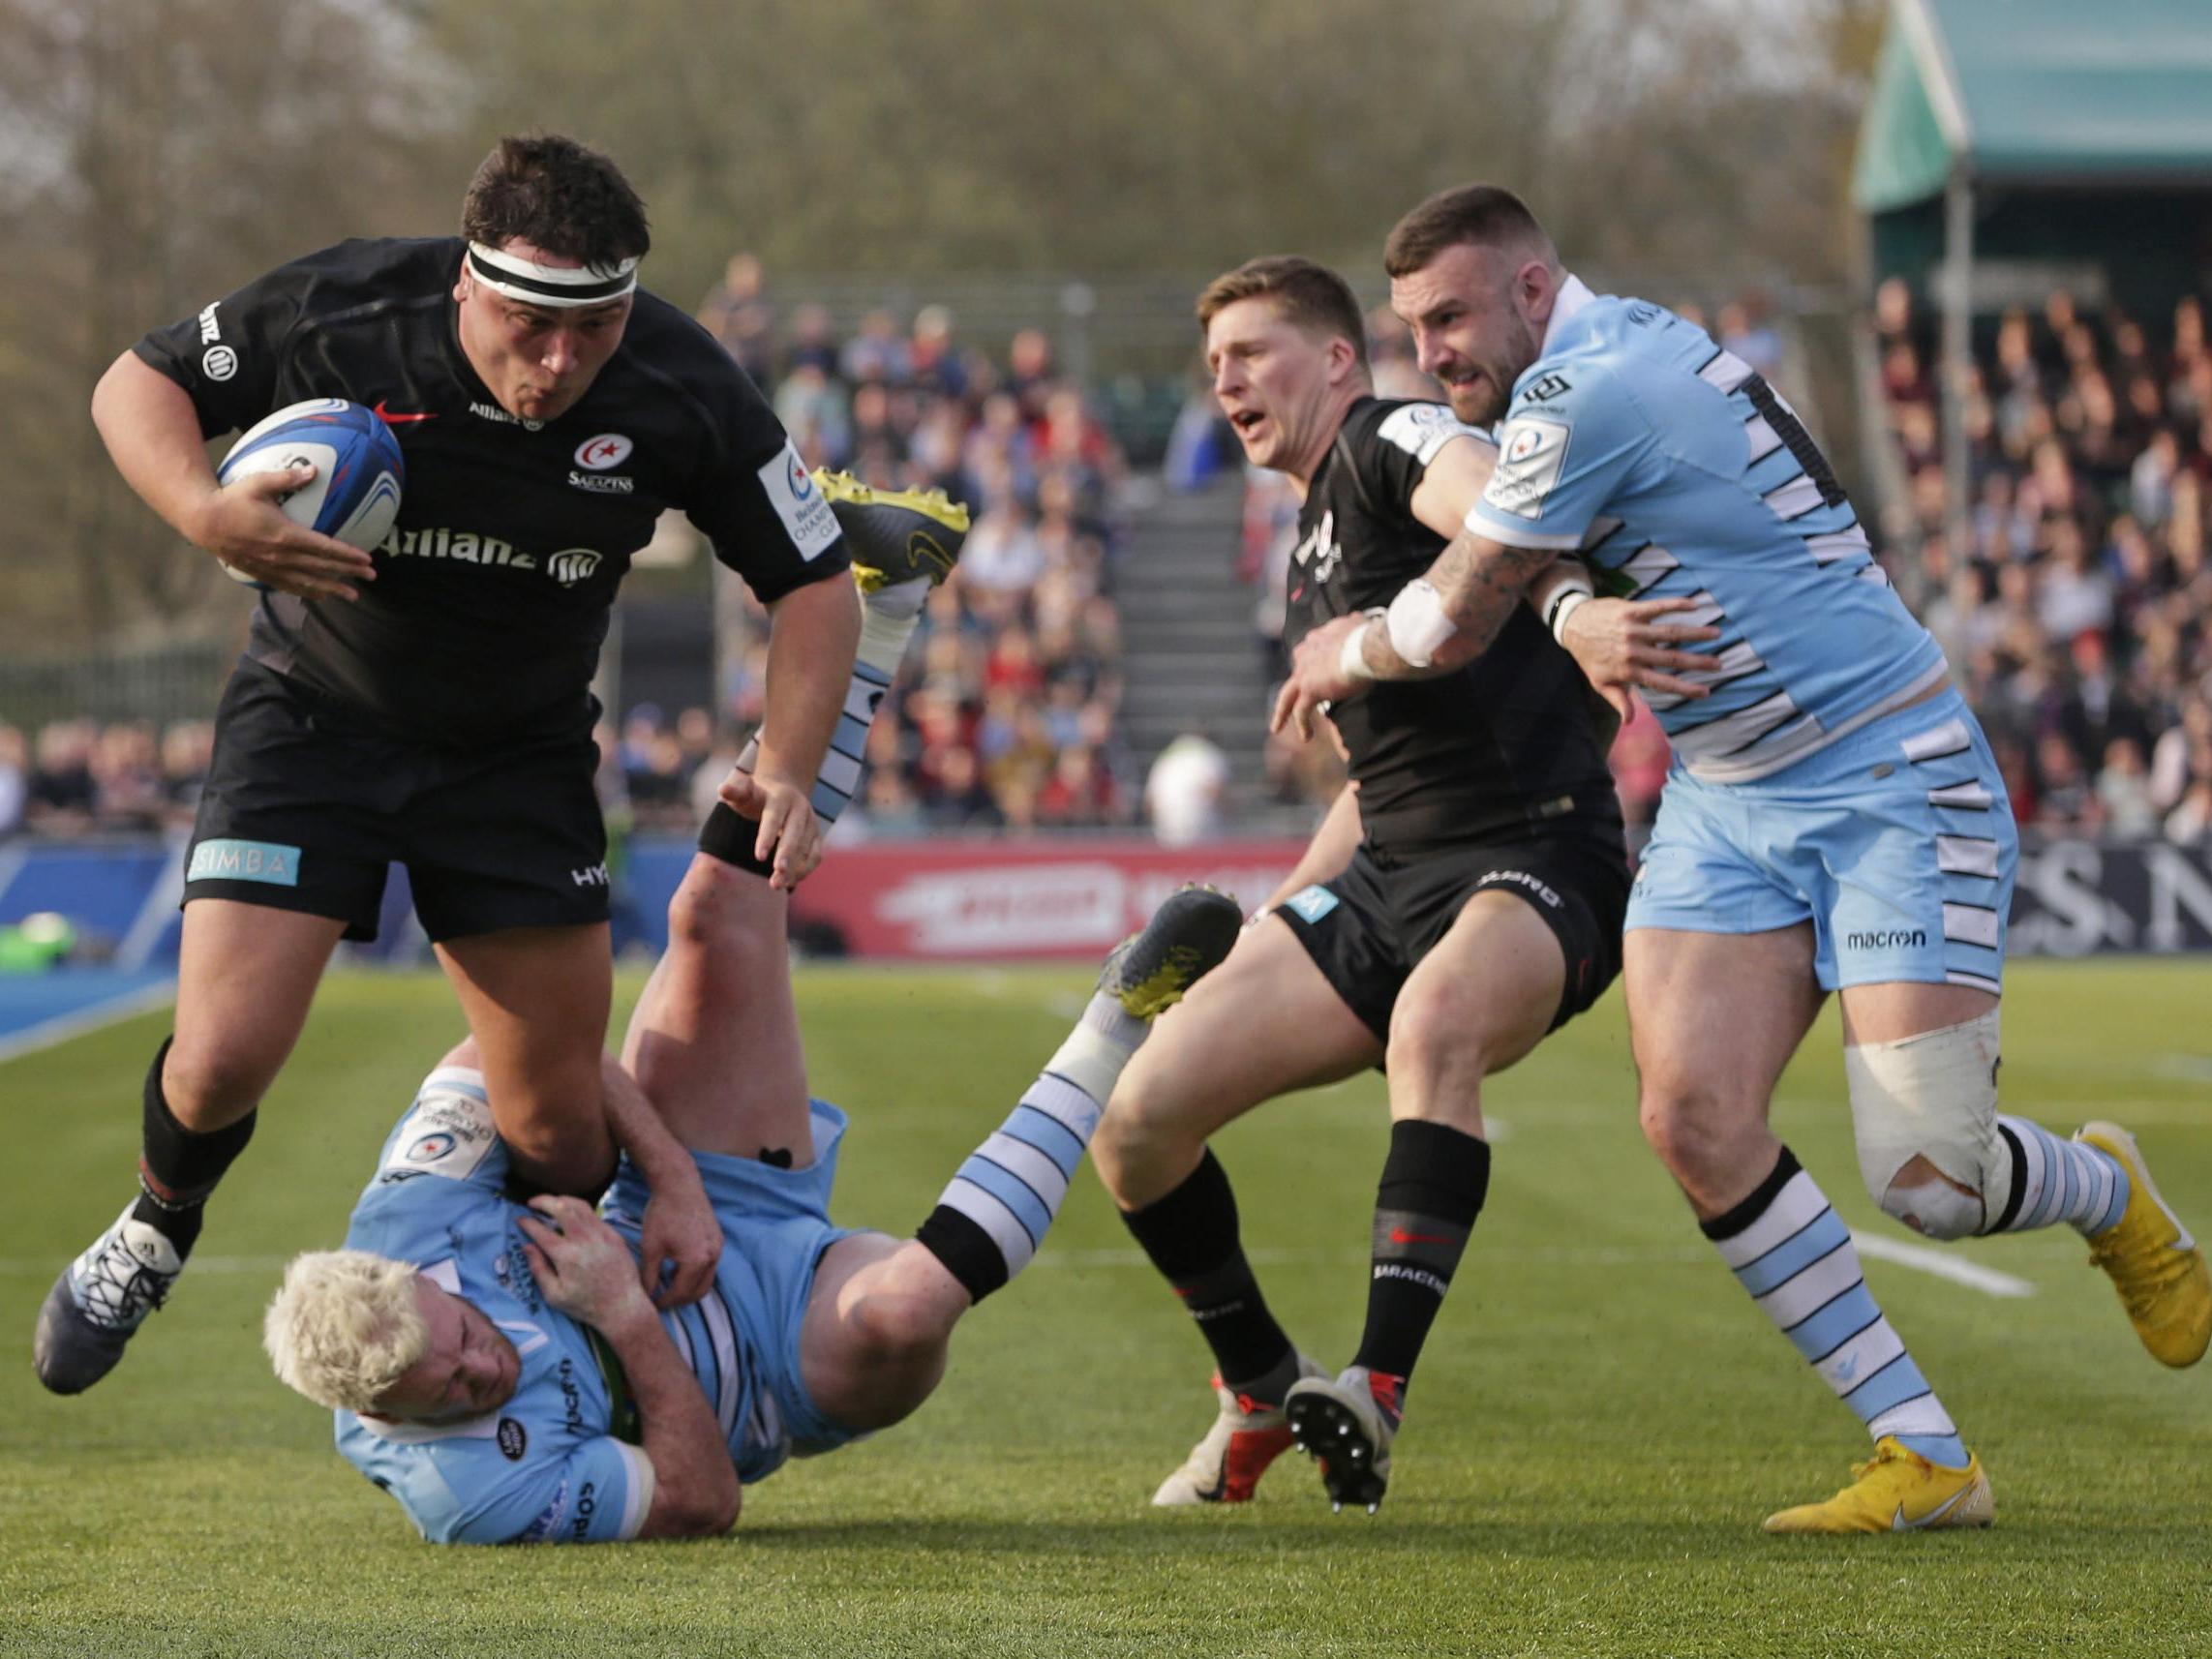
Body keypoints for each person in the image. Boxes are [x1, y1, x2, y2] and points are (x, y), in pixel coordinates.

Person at [1278, 185, 2211, 1532]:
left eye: (1453, 317)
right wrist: (1582, 609)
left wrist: (1339, 649)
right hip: (1726, 796)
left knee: (1930, 1183)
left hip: (1888, 774)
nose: (1434, 352)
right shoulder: (1600, 363)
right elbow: (1530, 551)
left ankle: (2106, 1187)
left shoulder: (1583, 391)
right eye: (1413, 326)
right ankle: (1924, 1452)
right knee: (1692, 1117)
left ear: (1535, 293)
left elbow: (1445, 620)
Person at [37, 134, 865, 1396]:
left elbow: (811, 583)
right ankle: (156, 1223)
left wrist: (793, 766)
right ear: (467, 284)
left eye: (593, 329)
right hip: (312, 719)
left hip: (517, 758)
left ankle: (569, 1347)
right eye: (533, 324)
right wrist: (203, 509)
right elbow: (132, 385)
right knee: (217, 1058)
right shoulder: (349, 308)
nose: (560, 359)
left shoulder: (681, 383)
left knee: (554, 1127)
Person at [1091, 256, 1722, 1514]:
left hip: (1535, 857)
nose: (1224, 383)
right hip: (1384, 873)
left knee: (1432, 1030)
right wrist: (1277, 919)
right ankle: (1261, 1387)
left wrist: (1576, 608)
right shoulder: (1309, 542)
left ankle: (1372, 1392)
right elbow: (1367, 797)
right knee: (1135, 1124)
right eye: (1212, 365)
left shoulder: (1390, 436)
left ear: (1335, 359)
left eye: (1252, 354)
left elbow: (1497, 493)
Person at [260, 885, 1243, 1543]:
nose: (487, 1363)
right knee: (900, 1315)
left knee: (717, 907)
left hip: (685, 1199)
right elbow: (702, 1498)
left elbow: (530, 1045)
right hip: (771, 1360)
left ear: (423, 1285)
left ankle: (872, 613)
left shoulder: (406, 1221)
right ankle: (1119, 1014)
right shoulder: (464, 1493)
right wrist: (624, 1316)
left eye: (465, 1334)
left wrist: (673, 1179)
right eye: (458, 1386)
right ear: (382, 1414)